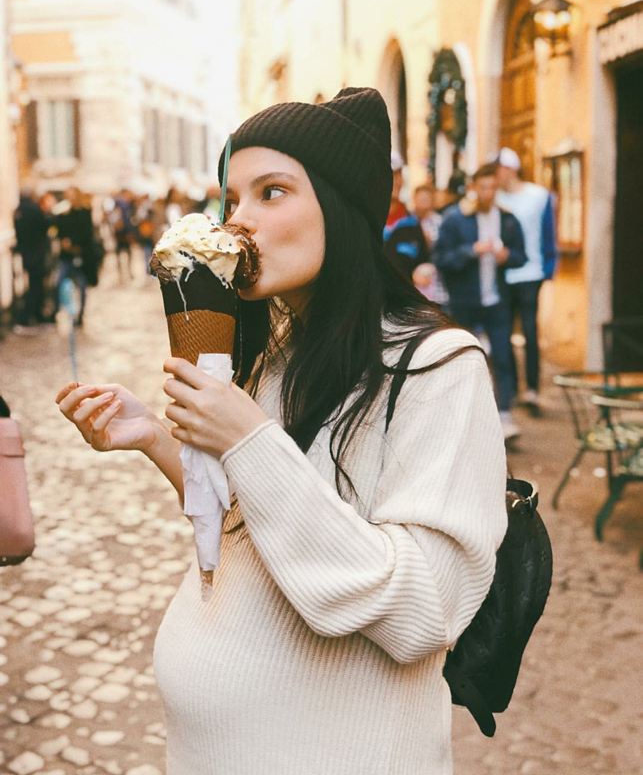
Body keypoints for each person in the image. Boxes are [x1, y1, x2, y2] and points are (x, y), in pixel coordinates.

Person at [56, 87, 508, 775]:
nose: (238, 222)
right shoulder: (277, 349)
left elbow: (424, 612)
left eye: (271, 192)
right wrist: (157, 439)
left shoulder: (440, 367)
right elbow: (254, 520)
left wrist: (248, 439)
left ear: (341, 209)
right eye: (233, 198)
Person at [434, 163, 527, 440]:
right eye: (483, 187)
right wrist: (471, 251)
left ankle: (504, 415)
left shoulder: (507, 219)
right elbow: (441, 258)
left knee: (502, 356)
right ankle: (462, 417)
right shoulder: (455, 219)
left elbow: (521, 256)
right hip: (465, 301)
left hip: (497, 300)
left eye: (493, 188)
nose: (488, 193)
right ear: (474, 188)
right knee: (464, 358)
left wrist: (507, 256)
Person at [495, 147, 557, 415]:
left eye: (499, 169)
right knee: (505, 332)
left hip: (531, 273)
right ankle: (512, 387)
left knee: (530, 332)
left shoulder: (538, 196)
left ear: (511, 170)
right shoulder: (495, 198)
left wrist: (548, 268)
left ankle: (532, 389)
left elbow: (548, 232)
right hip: (504, 273)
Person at [53, 187, 99, 326]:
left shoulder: (85, 212)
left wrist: (73, 243)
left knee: (82, 286)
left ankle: (80, 314)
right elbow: (59, 230)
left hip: (82, 255)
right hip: (67, 256)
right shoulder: (64, 213)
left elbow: (86, 233)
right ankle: (56, 311)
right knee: (58, 283)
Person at [13, 187, 52, 329]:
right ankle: (29, 316)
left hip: (27, 253)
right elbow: (45, 224)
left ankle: (34, 315)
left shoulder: (19, 210)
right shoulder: (33, 210)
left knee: (34, 285)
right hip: (36, 253)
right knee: (36, 286)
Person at [384, 150, 409, 233]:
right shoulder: (368, 216)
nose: (398, 182)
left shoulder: (409, 218)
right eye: (393, 176)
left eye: (400, 175)